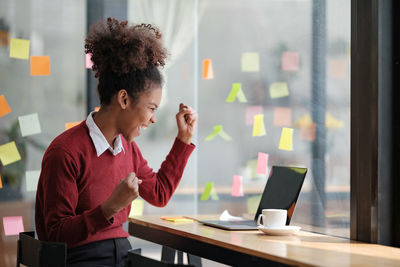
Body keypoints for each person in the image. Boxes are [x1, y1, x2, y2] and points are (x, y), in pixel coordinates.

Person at [35, 17, 198, 267]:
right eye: (151, 108)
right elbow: (56, 234)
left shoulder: (127, 148)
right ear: (124, 99)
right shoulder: (65, 151)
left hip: (122, 258)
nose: (153, 119)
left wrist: (183, 139)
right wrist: (109, 208)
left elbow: (159, 193)